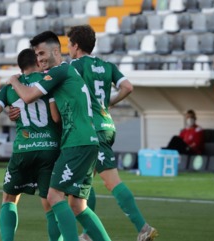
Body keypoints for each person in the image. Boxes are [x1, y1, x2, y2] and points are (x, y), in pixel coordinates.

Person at [8, 31, 111, 241]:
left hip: (77, 142)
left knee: (54, 196)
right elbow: (54, 117)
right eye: (37, 55)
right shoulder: (65, 74)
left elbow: (27, 96)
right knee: (77, 205)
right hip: (89, 141)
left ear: (56, 51)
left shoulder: (59, 71)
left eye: (42, 53)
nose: (39, 59)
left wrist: (13, 81)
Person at [66, 25, 158, 241]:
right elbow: (127, 87)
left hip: (91, 130)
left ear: (76, 46)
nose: (68, 49)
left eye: (69, 44)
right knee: (82, 183)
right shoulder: (106, 65)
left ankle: (143, 228)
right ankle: (88, 234)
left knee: (110, 181)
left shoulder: (76, 65)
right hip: (106, 126)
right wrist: (108, 103)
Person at [0, 48, 62, 241]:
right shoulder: (48, 82)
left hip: (23, 149)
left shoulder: (10, 88)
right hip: (50, 149)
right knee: (50, 203)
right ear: (37, 61)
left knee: (9, 198)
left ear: (20, 67)